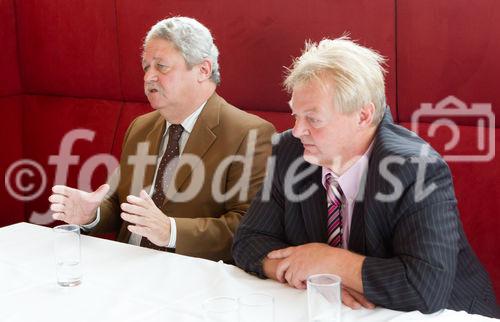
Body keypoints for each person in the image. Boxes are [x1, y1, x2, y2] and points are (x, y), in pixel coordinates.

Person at [232, 37, 499, 317]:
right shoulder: (289, 151)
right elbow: (248, 240)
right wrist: (314, 276)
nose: (297, 130)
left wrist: (329, 261)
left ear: (363, 115)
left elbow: (425, 288)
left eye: (313, 118)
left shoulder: (416, 168)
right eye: (295, 114)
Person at [48, 17, 275, 262]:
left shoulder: (251, 133)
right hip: (127, 269)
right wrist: (90, 215)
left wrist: (171, 231)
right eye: (146, 67)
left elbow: (248, 228)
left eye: (161, 67)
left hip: (195, 280)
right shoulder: (140, 127)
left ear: (203, 70)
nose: (148, 77)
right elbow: (119, 203)